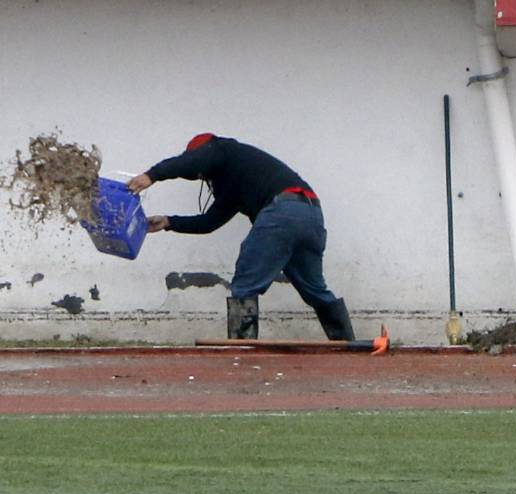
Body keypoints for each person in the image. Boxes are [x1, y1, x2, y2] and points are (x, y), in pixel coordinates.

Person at [128, 134, 355, 341]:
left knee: (245, 284)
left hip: (282, 211)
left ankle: (242, 351)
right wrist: (169, 222)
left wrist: (152, 175)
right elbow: (209, 222)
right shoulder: (236, 180)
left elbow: (189, 163)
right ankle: (346, 343)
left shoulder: (222, 148)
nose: (201, 176)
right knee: (315, 288)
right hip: (311, 213)